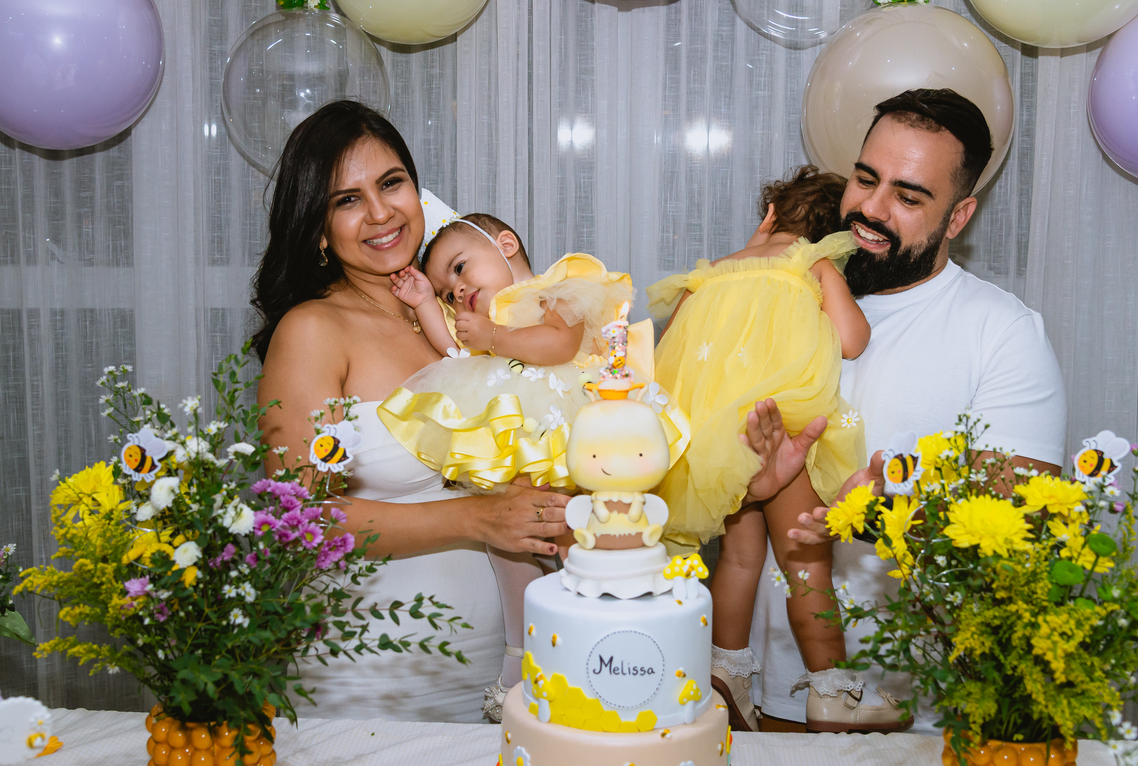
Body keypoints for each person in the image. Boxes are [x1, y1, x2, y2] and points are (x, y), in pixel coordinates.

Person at [745, 88, 1068, 732]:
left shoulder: (1001, 333)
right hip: (774, 692)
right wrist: (746, 482)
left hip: (920, 714)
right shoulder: (782, 295)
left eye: (909, 195)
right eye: (866, 178)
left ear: (958, 216)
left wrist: (883, 516)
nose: (871, 207)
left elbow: (1024, 533)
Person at [251, 100, 570, 722]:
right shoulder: (313, 330)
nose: (379, 212)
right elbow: (301, 522)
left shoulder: (461, 316)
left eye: (391, 183)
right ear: (317, 228)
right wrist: (480, 517)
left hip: (502, 672)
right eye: (346, 199)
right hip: (371, 675)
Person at [648, 166, 907, 734]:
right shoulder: (807, 262)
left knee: (739, 560)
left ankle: (725, 675)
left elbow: (664, 358)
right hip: (784, 430)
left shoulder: (708, 274)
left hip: (723, 442)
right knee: (805, 564)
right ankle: (832, 690)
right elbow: (853, 339)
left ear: (768, 217)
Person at [382, 211, 635, 712]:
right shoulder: (476, 324)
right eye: (446, 291)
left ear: (506, 243)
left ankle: (595, 652)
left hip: (568, 434)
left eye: (459, 269)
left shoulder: (556, 289)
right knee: (509, 548)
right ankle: (520, 660)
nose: (457, 291)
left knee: (575, 541)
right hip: (514, 452)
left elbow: (559, 342)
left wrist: (493, 338)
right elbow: (453, 351)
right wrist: (423, 302)